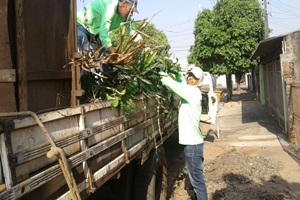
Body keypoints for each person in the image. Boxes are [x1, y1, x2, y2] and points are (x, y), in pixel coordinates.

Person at [160, 67, 208, 200]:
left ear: (199, 81)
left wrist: (160, 73)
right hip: (194, 144)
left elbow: (172, 84)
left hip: (193, 146)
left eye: (194, 77)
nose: (190, 78)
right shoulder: (190, 91)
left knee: (197, 182)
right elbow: (182, 84)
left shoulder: (192, 93)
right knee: (197, 180)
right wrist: (179, 75)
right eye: (189, 75)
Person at [77, 0, 141, 55]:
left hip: (95, 32)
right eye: (130, 10)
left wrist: (140, 42)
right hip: (82, 25)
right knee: (84, 54)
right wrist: (113, 53)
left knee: (106, 60)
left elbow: (132, 30)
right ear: (123, 4)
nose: (131, 14)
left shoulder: (126, 16)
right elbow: (103, 34)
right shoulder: (110, 7)